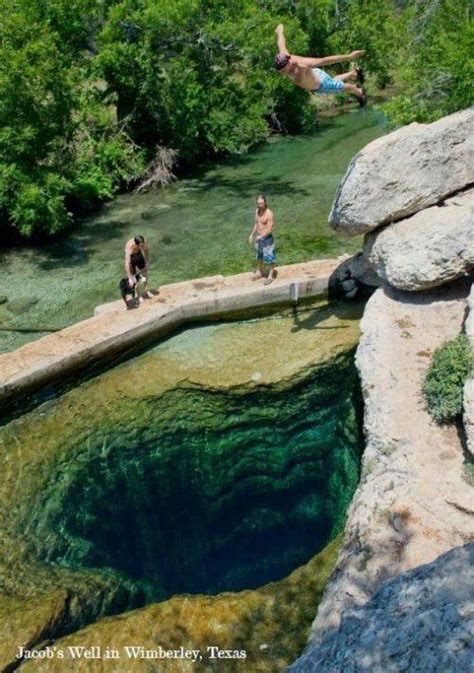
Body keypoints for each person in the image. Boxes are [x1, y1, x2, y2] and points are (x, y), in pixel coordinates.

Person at [274, 24, 366, 106]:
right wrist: (280, 31)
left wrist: (349, 56)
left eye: (284, 70)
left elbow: (325, 60)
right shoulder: (285, 56)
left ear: (288, 63)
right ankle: (354, 73)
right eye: (281, 71)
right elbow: (281, 43)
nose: (283, 73)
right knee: (333, 80)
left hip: (321, 85)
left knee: (348, 87)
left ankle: (360, 93)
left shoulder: (301, 63)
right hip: (316, 77)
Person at [248, 194, 277, 285]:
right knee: (259, 256)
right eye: (258, 203)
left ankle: (270, 276)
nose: (260, 205)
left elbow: (270, 229)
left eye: (262, 203)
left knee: (270, 258)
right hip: (259, 239)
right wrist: (252, 234)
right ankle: (260, 272)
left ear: (265, 202)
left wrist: (261, 236)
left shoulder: (269, 214)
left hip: (267, 239)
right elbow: (256, 224)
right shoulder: (257, 211)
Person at [124, 235, 154, 302]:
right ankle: (139, 295)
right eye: (141, 246)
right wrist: (129, 278)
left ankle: (147, 291)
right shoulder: (129, 247)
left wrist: (147, 262)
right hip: (131, 259)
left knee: (144, 272)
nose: (143, 247)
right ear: (136, 245)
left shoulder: (143, 241)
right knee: (133, 277)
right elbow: (127, 264)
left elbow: (146, 250)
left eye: (143, 245)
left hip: (138, 255)